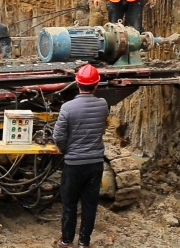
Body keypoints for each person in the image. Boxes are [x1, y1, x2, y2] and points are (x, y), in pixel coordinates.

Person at [52, 64, 109, 248]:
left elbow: (58, 136)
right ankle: (84, 242)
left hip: (74, 164)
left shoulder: (67, 108)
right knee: (89, 204)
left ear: (77, 84)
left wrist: (66, 150)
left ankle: (66, 241)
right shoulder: (103, 105)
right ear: (96, 86)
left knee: (69, 203)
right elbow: (102, 126)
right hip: (95, 163)